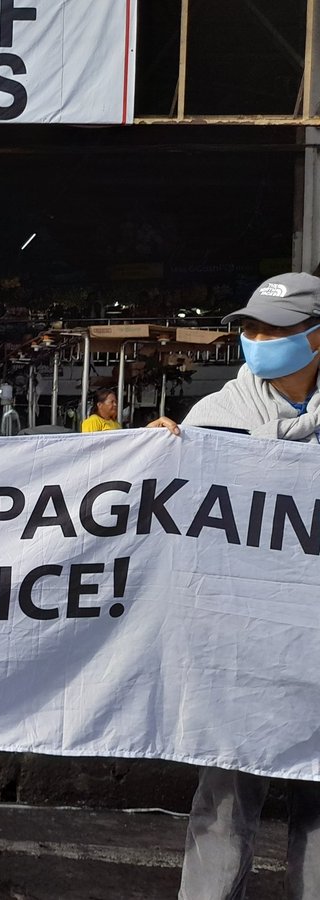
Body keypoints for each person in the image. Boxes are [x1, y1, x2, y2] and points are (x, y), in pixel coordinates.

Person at [147, 273, 320, 899]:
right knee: (222, 805)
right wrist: (157, 458)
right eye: (251, 328)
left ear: (316, 337)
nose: (257, 339)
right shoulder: (215, 416)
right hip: (241, 650)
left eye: (274, 329)